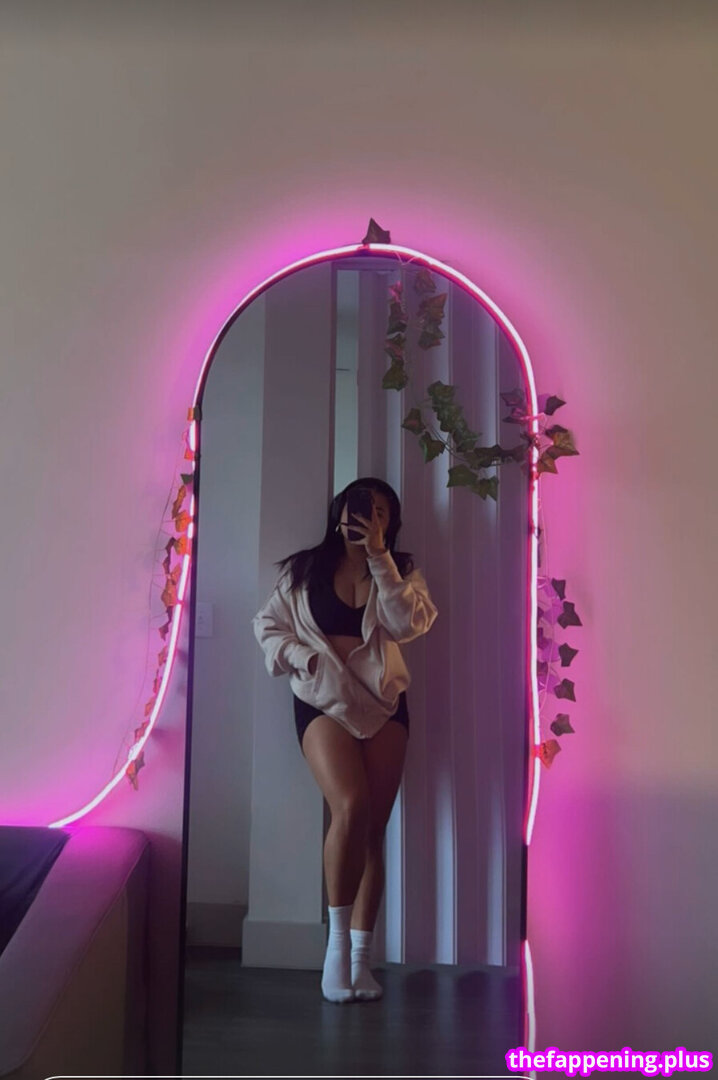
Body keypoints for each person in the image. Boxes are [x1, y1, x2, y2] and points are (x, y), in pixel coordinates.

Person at [252, 477, 438, 1004]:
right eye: (361, 508)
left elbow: (408, 625)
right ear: (340, 513)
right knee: (351, 806)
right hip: (322, 698)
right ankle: (335, 952)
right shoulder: (305, 569)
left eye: (380, 511)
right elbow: (267, 625)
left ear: (390, 522)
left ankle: (361, 959)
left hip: (383, 704)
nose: (369, 518)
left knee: (373, 829)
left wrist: (380, 557)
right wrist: (304, 658)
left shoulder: (400, 570)